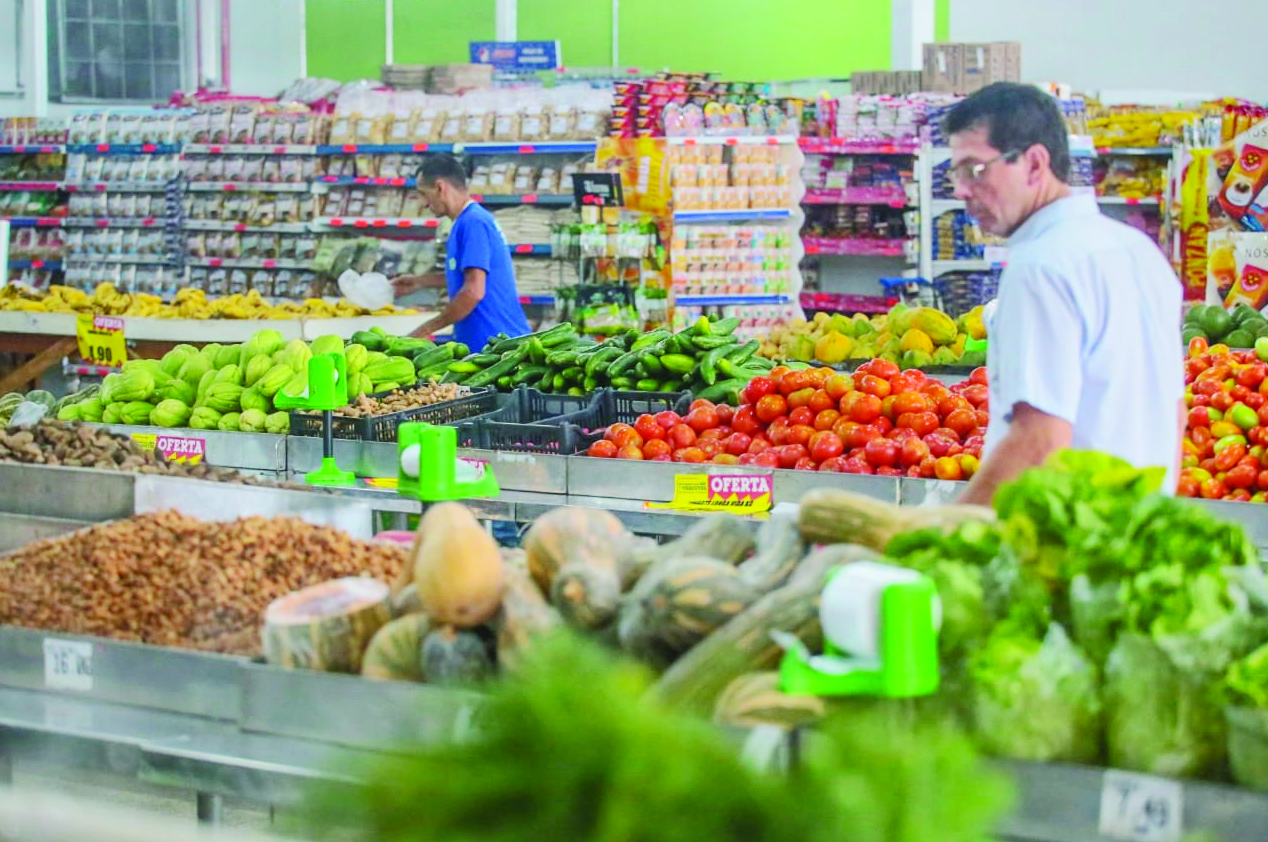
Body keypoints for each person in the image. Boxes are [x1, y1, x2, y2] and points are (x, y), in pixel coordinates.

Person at [944, 83, 1185, 504]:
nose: (962, 190)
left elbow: (1039, 439)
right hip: (1139, 530)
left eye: (975, 170)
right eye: (956, 173)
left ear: (1035, 164)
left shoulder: (1040, 266)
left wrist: (946, 532)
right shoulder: (1138, 250)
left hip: (1066, 546)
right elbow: (1175, 413)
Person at [392, 154, 530, 348]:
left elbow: (473, 291)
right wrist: (420, 282)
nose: (423, 203)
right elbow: (469, 275)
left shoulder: (473, 223)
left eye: (423, 193)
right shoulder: (465, 221)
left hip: (498, 348)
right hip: (486, 345)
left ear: (440, 188)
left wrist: (425, 330)